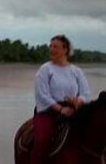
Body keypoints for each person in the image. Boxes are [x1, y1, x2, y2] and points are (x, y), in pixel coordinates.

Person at [30, 34, 91, 164]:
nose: (52, 49)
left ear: (65, 50)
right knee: (42, 139)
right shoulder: (45, 69)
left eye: (56, 47)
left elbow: (85, 92)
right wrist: (61, 109)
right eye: (51, 46)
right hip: (48, 111)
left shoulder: (76, 71)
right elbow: (43, 94)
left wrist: (79, 101)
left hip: (74, 110)